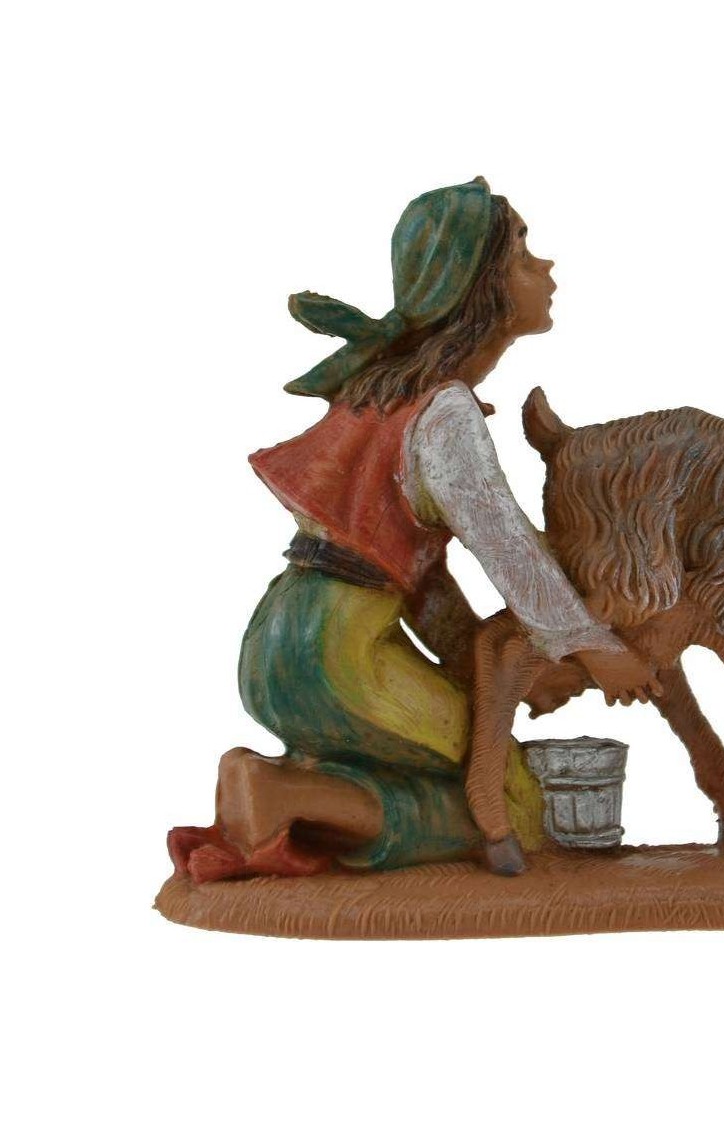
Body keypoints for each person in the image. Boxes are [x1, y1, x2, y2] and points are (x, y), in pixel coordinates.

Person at [168, 178, 657, 883]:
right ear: (482, 289)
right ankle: (281, 795)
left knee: (434, 763)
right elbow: (508, 549)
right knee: (517, 810)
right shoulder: (446, 414)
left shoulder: (393, 393)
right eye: (522, 254)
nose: (544, 267)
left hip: (279, 641)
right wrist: (594, 645)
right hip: (338, 656)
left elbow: (418, 578)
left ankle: (291, 786)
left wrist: (473, 666)